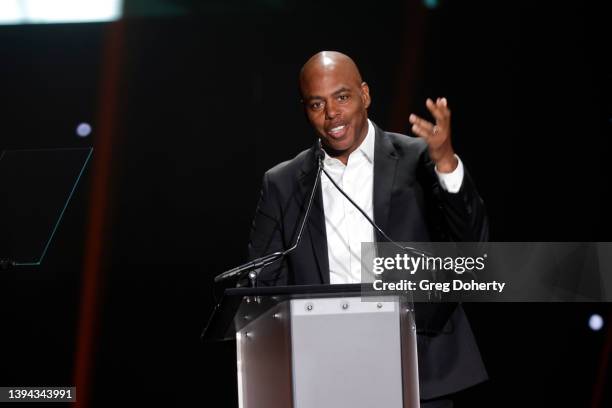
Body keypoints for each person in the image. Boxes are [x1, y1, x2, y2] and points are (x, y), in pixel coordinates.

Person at [247, 51, 488, 406]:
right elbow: (264, 287)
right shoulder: (283, 183)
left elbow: (472, 242)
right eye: (317, 104)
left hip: (421, 369)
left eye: (342, 97)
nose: (332, 114)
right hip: (327, 376)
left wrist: (448, 164)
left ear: (365, 95)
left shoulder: (420, 159)